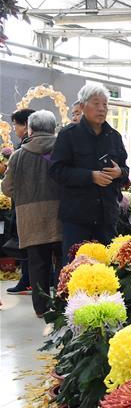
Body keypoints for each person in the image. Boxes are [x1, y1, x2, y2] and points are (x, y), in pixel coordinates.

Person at [50, 84, 129, 259]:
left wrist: (120, 173)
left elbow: (125, 171)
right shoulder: (68, 135)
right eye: (96, 103)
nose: (102, 108)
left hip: (106, 216)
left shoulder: (114, 137)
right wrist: (90, 176)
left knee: (108, 264)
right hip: (77, 217)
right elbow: (57, 171)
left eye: (105, 104)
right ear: (83, 106)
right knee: (75, 265)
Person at [1, 110, 63, 317]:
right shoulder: (63, 151)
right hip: (61, 214)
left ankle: (41, 308)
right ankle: (63, 305)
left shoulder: (18, 156)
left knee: (38, 264)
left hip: (30, 218)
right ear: (53, 128)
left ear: (30, 129)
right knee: (63, 261)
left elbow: (7, 189)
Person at [5, 108, 35, 295]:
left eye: (16, 124)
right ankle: (32, 279)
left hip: (25, 203)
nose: (14, 128)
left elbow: (10, 183)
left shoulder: (26, 148)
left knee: (27, 244)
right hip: (31, 202)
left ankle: (27, 280)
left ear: (26, 125)